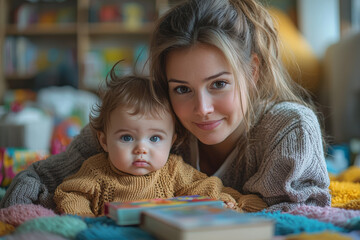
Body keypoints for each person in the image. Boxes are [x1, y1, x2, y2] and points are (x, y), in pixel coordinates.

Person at [0, 0, 330, 212]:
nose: (202, 108)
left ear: (252, 71)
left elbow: (299, 216)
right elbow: (39, 178)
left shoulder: (290, 127)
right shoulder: (145, 123)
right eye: (182, 88)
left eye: (218, 84)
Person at [53, 67, 267, 217]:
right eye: (126, 138)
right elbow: (70, 192)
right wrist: (83, 218)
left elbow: (204, 186)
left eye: (154, 138)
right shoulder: (97, 170)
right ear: (104, 141)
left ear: (172, 141)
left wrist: (233, 203)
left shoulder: (172, 170)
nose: (141, 149)